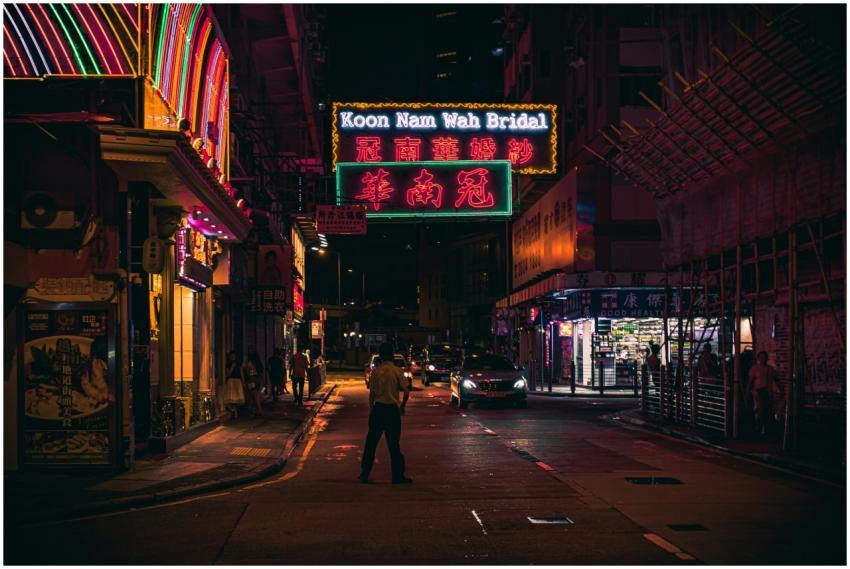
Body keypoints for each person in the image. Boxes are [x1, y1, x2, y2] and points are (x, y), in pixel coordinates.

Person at [359, 342, 412, 485]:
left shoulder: (375, 372)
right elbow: (406, 392)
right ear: (392, 354)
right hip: (391, 410)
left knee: (371, 444)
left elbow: (371, 395)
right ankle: (397, 476)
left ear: (381, 356)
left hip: (378, 409)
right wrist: (402, 406)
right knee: (394, 445)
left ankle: (364, 474)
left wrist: (372, 410)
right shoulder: (397, 371)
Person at [745, 351, 783, 435]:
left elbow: (776, 380)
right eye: (761, 357)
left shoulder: (770, 369)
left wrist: (782, 390)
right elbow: (750, 382)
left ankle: (766, 429)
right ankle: (759, 429)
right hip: (758, 392)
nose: (763, 359)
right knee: (759, 411)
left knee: (768, 411)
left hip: (768, 392)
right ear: (758, 358)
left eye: (764, 357)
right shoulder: (754, 369)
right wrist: (747, 393)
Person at [242, 346, 264, 417]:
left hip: (253, 379)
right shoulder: (256, 360)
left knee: (254, 394)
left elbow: (244, 368)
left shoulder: (248, 360)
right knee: (254, 394)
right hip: (256, 379)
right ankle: (256, 410)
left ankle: (257, 410)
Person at [223, 351, 245, 419]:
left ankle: (235, 412)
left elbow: (241, 373)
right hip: (231, 381)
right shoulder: (228, 364)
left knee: (236, 398)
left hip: (237, 381)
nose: (232, 357)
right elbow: (228, 374)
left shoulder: (238, 364)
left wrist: (243, 382)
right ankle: (233, 411)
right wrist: (232, 367)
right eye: (231, 356)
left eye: (234, 356)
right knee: (231, 398)